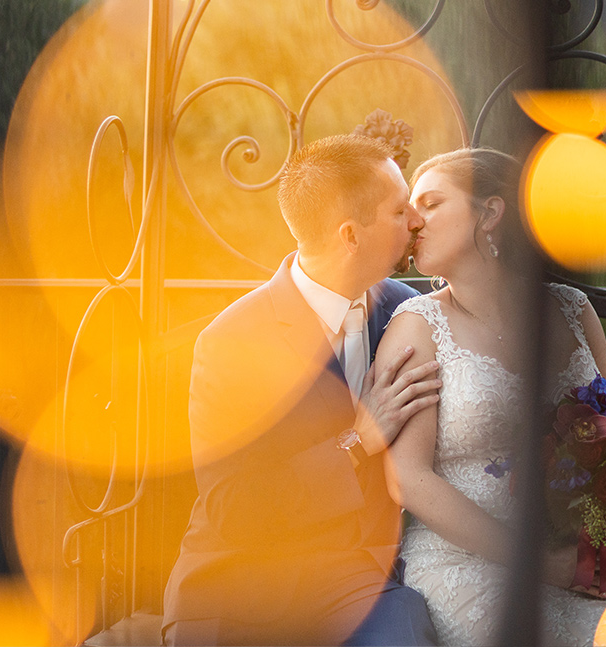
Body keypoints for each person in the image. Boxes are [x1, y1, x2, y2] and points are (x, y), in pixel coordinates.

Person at [379, 147, 606, 646]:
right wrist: (539, 562)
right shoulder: (418, 327)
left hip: (574, 557)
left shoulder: (572, 309)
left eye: (433, 203)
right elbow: (409, 479)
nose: (414, 221)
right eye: (411, 208)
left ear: (491, 212)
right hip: (465, 562)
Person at [161, 134, 442, 646]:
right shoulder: (230, 342)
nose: (416, 221)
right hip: (245, 590)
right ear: (350, 235)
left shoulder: (410, 316)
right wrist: (356, 444)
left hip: (362, 587)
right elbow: (235, 508)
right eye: (400, 210)